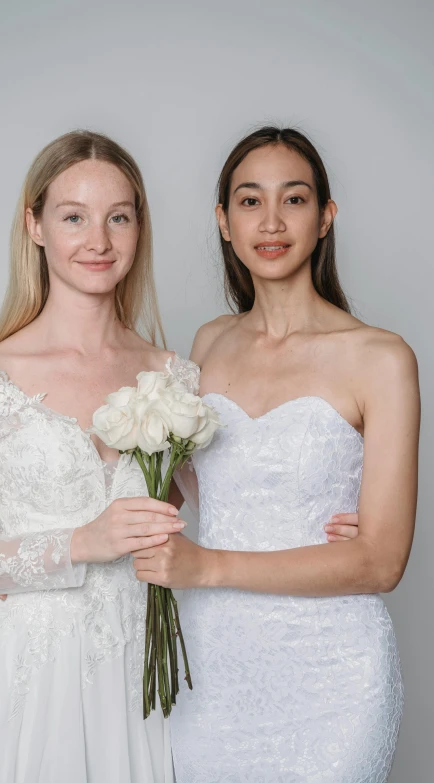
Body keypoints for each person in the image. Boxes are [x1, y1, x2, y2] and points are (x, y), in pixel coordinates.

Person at [134, 127, 419, 782]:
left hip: (334, 674)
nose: (270, 221)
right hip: (212, 665)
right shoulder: (207, 343)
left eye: (293, 200)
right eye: (248, 200)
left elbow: (381, 562)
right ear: (224, 222)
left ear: (325, 218)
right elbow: (180, 494)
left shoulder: (382, 358)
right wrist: (34, 546)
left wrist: (208, 565)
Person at [0, 129, 201, 783]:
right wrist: (77, 541)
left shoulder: (177, 379)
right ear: (36, 224)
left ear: (139, 227)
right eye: (73, 216)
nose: (98, 240)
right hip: (27, 678)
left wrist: (319, 524)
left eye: (118, 217)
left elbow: (225, 508)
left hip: (142, 673)